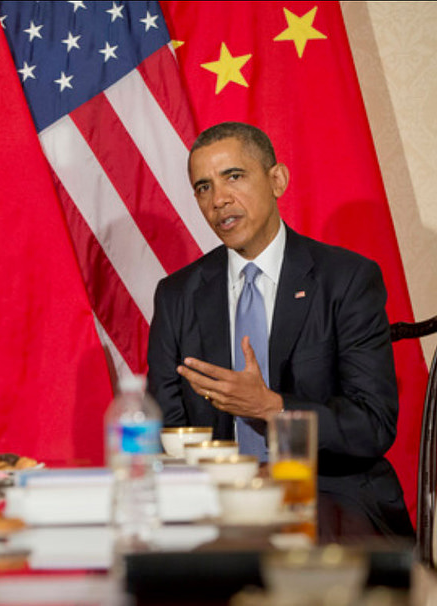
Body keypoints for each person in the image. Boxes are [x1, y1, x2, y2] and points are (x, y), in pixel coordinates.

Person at [147, 121, 413, 538]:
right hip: (216, 503)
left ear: (277, 180)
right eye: (203, 187)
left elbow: (372, 424)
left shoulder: (346, 279)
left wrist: (271, 408)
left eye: (234, 176)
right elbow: (167, 426)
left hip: (330, 493)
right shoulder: (177, 295)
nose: (218, 199)